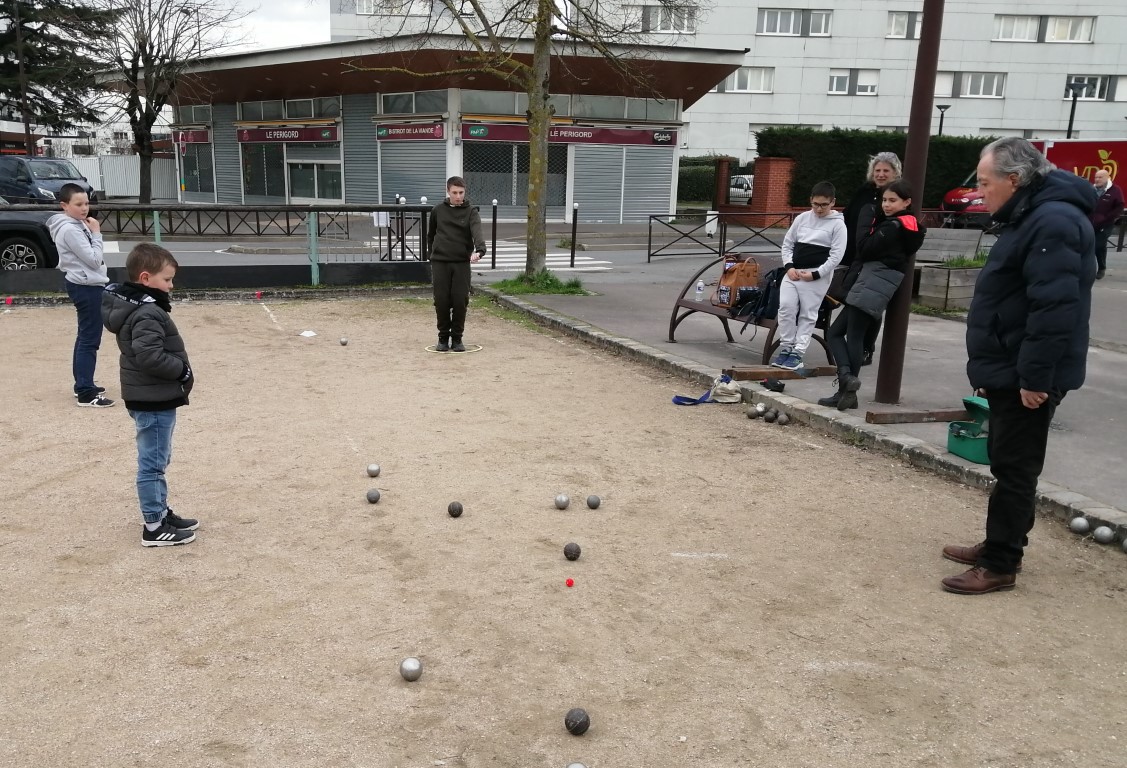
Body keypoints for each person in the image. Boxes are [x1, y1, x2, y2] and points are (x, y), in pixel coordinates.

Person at [941, 137, 1097, 595]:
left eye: (985, 183)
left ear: (1014, 179)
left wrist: (1035, 377)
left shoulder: (1054, 221)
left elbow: (1054, 308)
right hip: (1010, 363)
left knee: (1015, 466)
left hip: (1027, 372)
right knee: (1007, 460)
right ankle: (1001, 542)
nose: (980, 192)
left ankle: (1000, 562)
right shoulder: (1031, 215)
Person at [101, 243, 199, 547]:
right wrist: (182, 371)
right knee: (152, 463)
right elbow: (150, 357)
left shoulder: (142, 307)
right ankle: (154, 526)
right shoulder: (147, 312)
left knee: (159, 457)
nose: (171, 285)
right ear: (145, 278)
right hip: (152, 398)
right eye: (167, 279)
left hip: (152, 395)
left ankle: (161, 511)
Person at [821, 179, 924, 410]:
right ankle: (846, 385)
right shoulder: (907, 226)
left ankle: (847, 383)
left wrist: (868, 218)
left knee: (850, 335)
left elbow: (864, 248)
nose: (886, 205)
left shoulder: (892, 227)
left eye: (892, 200)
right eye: (884, 200)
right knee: (838, 333)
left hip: (873, 283)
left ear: (906, 202)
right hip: (875, 283)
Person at [769, 181, 847, 371]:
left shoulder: (838, 225)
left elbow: (836, 255)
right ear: (811, 200)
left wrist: (817, 274)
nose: (819, 209)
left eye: (824, 205)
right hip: (794, 272)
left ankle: (798, 352)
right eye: (815, 204)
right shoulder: (802, 218)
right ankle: (786, 347)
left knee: (808, 313)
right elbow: (788, 244)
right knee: (786, 308)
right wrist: (789, 267)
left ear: (833, 202)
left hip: (816, 276)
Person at [50, 183, 113, 407]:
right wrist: (97, 233)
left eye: (86, 203)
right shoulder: (70, 229)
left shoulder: (76, 224)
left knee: (85, 336)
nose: (84, 208)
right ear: (64, 205)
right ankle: (86, 392)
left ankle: (83, 384)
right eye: (78, 204)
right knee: (89, 339)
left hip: (86, 283)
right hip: (86, 286)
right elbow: (94, 260)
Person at [842, 152, 902, 366]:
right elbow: (847, 216)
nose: (881, 174)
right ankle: (855, 346)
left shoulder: (896, 196)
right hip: (854, 253)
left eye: (886, 170)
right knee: (853, 300)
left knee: (871, 305)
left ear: (895, 173)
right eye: (877, 170)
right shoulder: (864, 192)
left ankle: (866, 347)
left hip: (877, 257)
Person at [427, 176, 486, 352]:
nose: (458, 196)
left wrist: (479, 250)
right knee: (441, 300)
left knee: (460, 300)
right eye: (454, 193)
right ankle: (443, 338)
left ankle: (457, 338)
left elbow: (477, 231)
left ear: (465, 192)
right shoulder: (437, 210)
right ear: (448, 191)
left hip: (461, 262)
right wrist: (432, 254)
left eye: (461, 192)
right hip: (440, 261)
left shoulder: (471, 212)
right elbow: (431, 235)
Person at [1090, 168, 1124, 280]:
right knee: (1089, 245)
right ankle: (1090, 268)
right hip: (1091, 223)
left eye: (1100, 177)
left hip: (1106, 224)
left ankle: (1101, 268)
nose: (1097, 179)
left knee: (1098, 245)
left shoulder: (1115, 190)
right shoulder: (1091, 189)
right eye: (1096, 177)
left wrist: (1108, 218)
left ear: (1107, 177)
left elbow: (1120, 206)